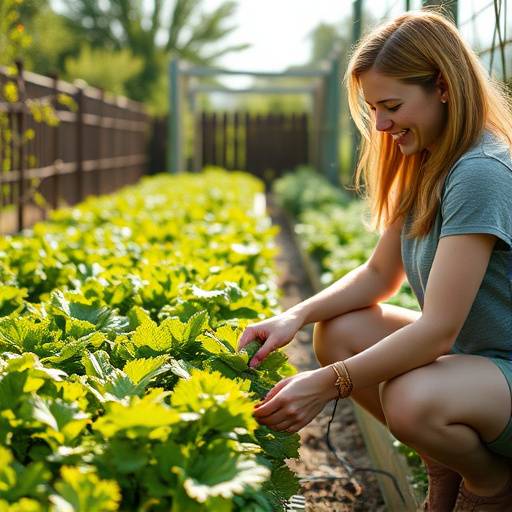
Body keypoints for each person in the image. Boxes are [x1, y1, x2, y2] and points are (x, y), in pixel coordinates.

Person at [237, 9, 512, 512]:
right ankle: (444, 462)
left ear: (444, 88)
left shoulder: (480, 171)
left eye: (391, 105)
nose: (381, 125)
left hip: (503, 369)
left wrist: (325, 385)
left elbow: (437, 333)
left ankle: (494, 484)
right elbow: (379, 275)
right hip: (479, 366)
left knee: (412, 398)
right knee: (338, 330)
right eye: (373, 109)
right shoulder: (428, 161)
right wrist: (293, 316)